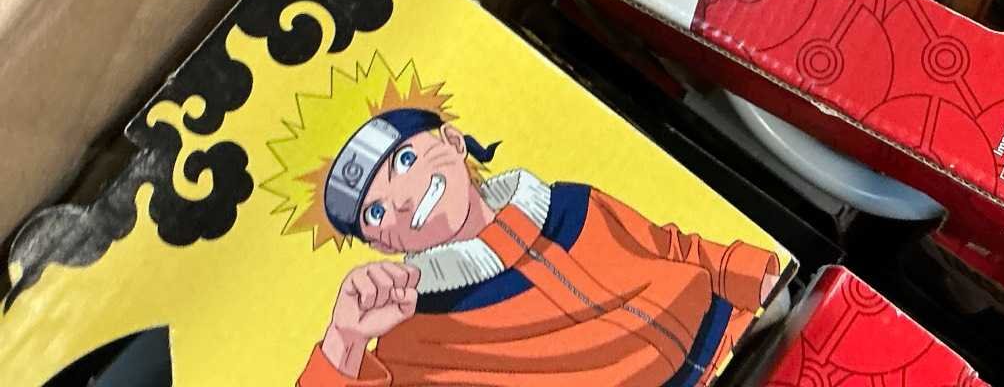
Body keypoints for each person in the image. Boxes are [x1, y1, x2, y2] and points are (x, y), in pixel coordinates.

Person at [263, 54, 780, 387]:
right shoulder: (413, 336)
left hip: (746, 339)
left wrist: (763, 278)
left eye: (404, 160)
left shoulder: (571, 203)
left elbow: (674, 248)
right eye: (374, 212)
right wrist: (345, 340)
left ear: (453, 142)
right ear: (379, 243)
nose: (401, 199)